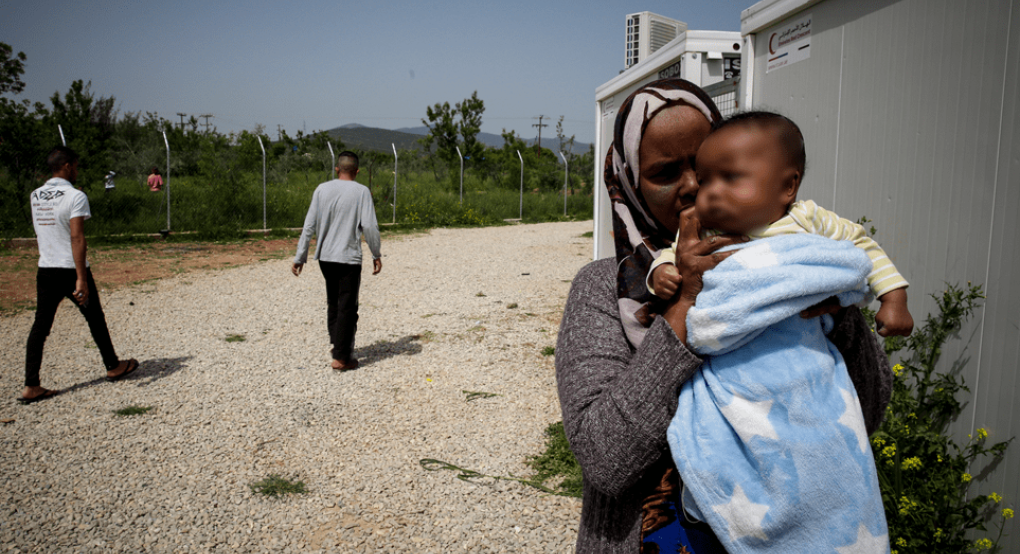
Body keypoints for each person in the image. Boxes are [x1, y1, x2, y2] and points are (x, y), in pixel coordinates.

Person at [555, 79, 892, 553]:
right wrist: (685, 309)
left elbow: (869, 413)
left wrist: (836, 307)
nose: (694, 186)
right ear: (630, 184)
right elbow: (606, 460)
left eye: (709, 165)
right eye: (665, 172)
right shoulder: (603, 291)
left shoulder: (797, 264)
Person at [648, 111, 912, 337]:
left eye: (730, 178)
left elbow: (862, 248)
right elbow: (674, 256)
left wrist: (893, 299)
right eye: (705, 180)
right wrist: (661, 273)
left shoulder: (807, 219)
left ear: (788, 186)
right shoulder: (703, 231)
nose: (709, 191)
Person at [21, 146, 139, 404]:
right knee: (94, 317)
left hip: (46, 269)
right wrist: (81, 277)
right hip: (71, 269)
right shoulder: (75, 196)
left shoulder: (36, 195)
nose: (77, 171)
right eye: (75, 166)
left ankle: (31, 385)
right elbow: (76, 236)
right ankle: (113, 365)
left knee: (40, 326)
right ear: (66, 166)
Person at [292, 151, 382, 371]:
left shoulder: (321, 189)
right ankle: (342, 357)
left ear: (337, 169)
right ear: (357, 171)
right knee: (347, 306)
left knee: (334, 301)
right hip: (348, 257)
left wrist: (300, 256)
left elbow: (309, 224)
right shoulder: (362, 192)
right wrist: (376, 253)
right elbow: (369, 226)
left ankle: (337, 346)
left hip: (325, 256)